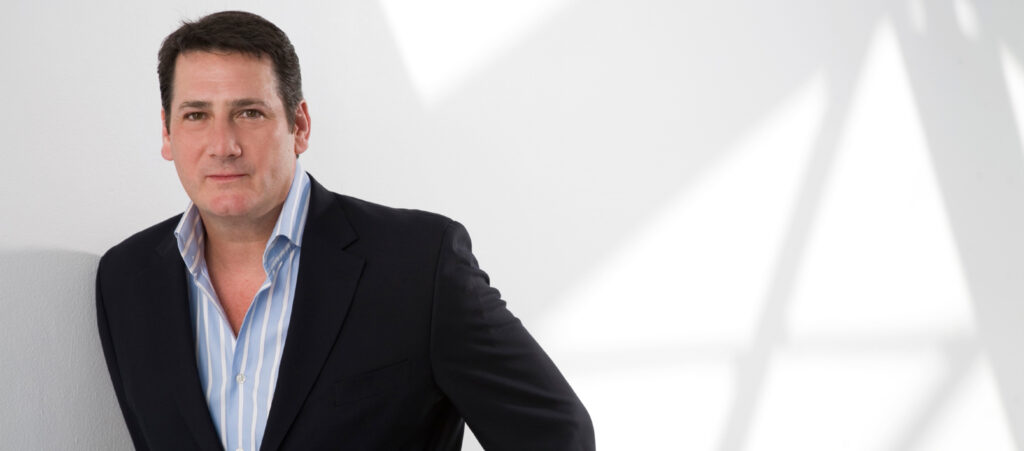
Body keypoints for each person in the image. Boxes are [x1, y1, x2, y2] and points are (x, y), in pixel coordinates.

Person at [95, 10, 594, 451]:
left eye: (249, 112)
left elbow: (556, 433)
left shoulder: (419, 265)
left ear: (300, 125)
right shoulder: (126, 281)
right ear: (167, 133)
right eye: (196, 115)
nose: (223, 145)